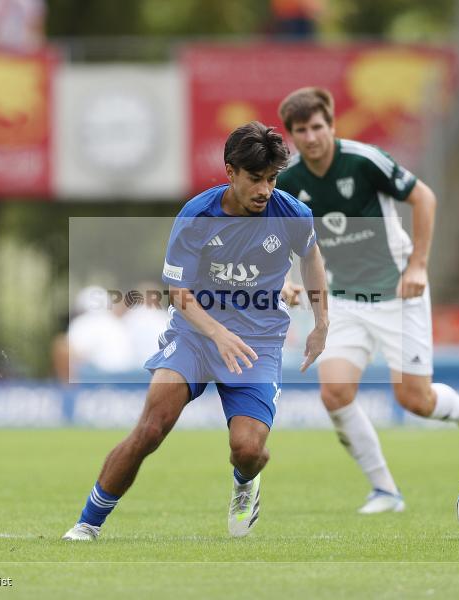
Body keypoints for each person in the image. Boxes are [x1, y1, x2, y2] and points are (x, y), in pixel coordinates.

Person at [62, 121, 329, 541]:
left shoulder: (291, 213)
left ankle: (246, 481)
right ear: (230, 172)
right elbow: (179, 293)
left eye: (272, 179)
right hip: (195, 336)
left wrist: (321, 323)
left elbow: (312, 258)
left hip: (256, 344)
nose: (265, 189)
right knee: (151, 429)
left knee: (248, 449)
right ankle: (87, 524)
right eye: (255, 179)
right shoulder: (197, 215)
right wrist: (218, 334)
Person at [276, 87, 459, 514]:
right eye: (301, 130)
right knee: (335, 392)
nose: (312, 136)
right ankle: (385, 491)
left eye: (318, 126)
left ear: (331, 125)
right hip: (343, 299)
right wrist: (287, 278)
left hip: (398, 292)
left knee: (415, 400)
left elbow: (423, 197)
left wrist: (418, 265)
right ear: (292, 136)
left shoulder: (363, 160)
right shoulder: (289, 183)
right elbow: (285, 239)